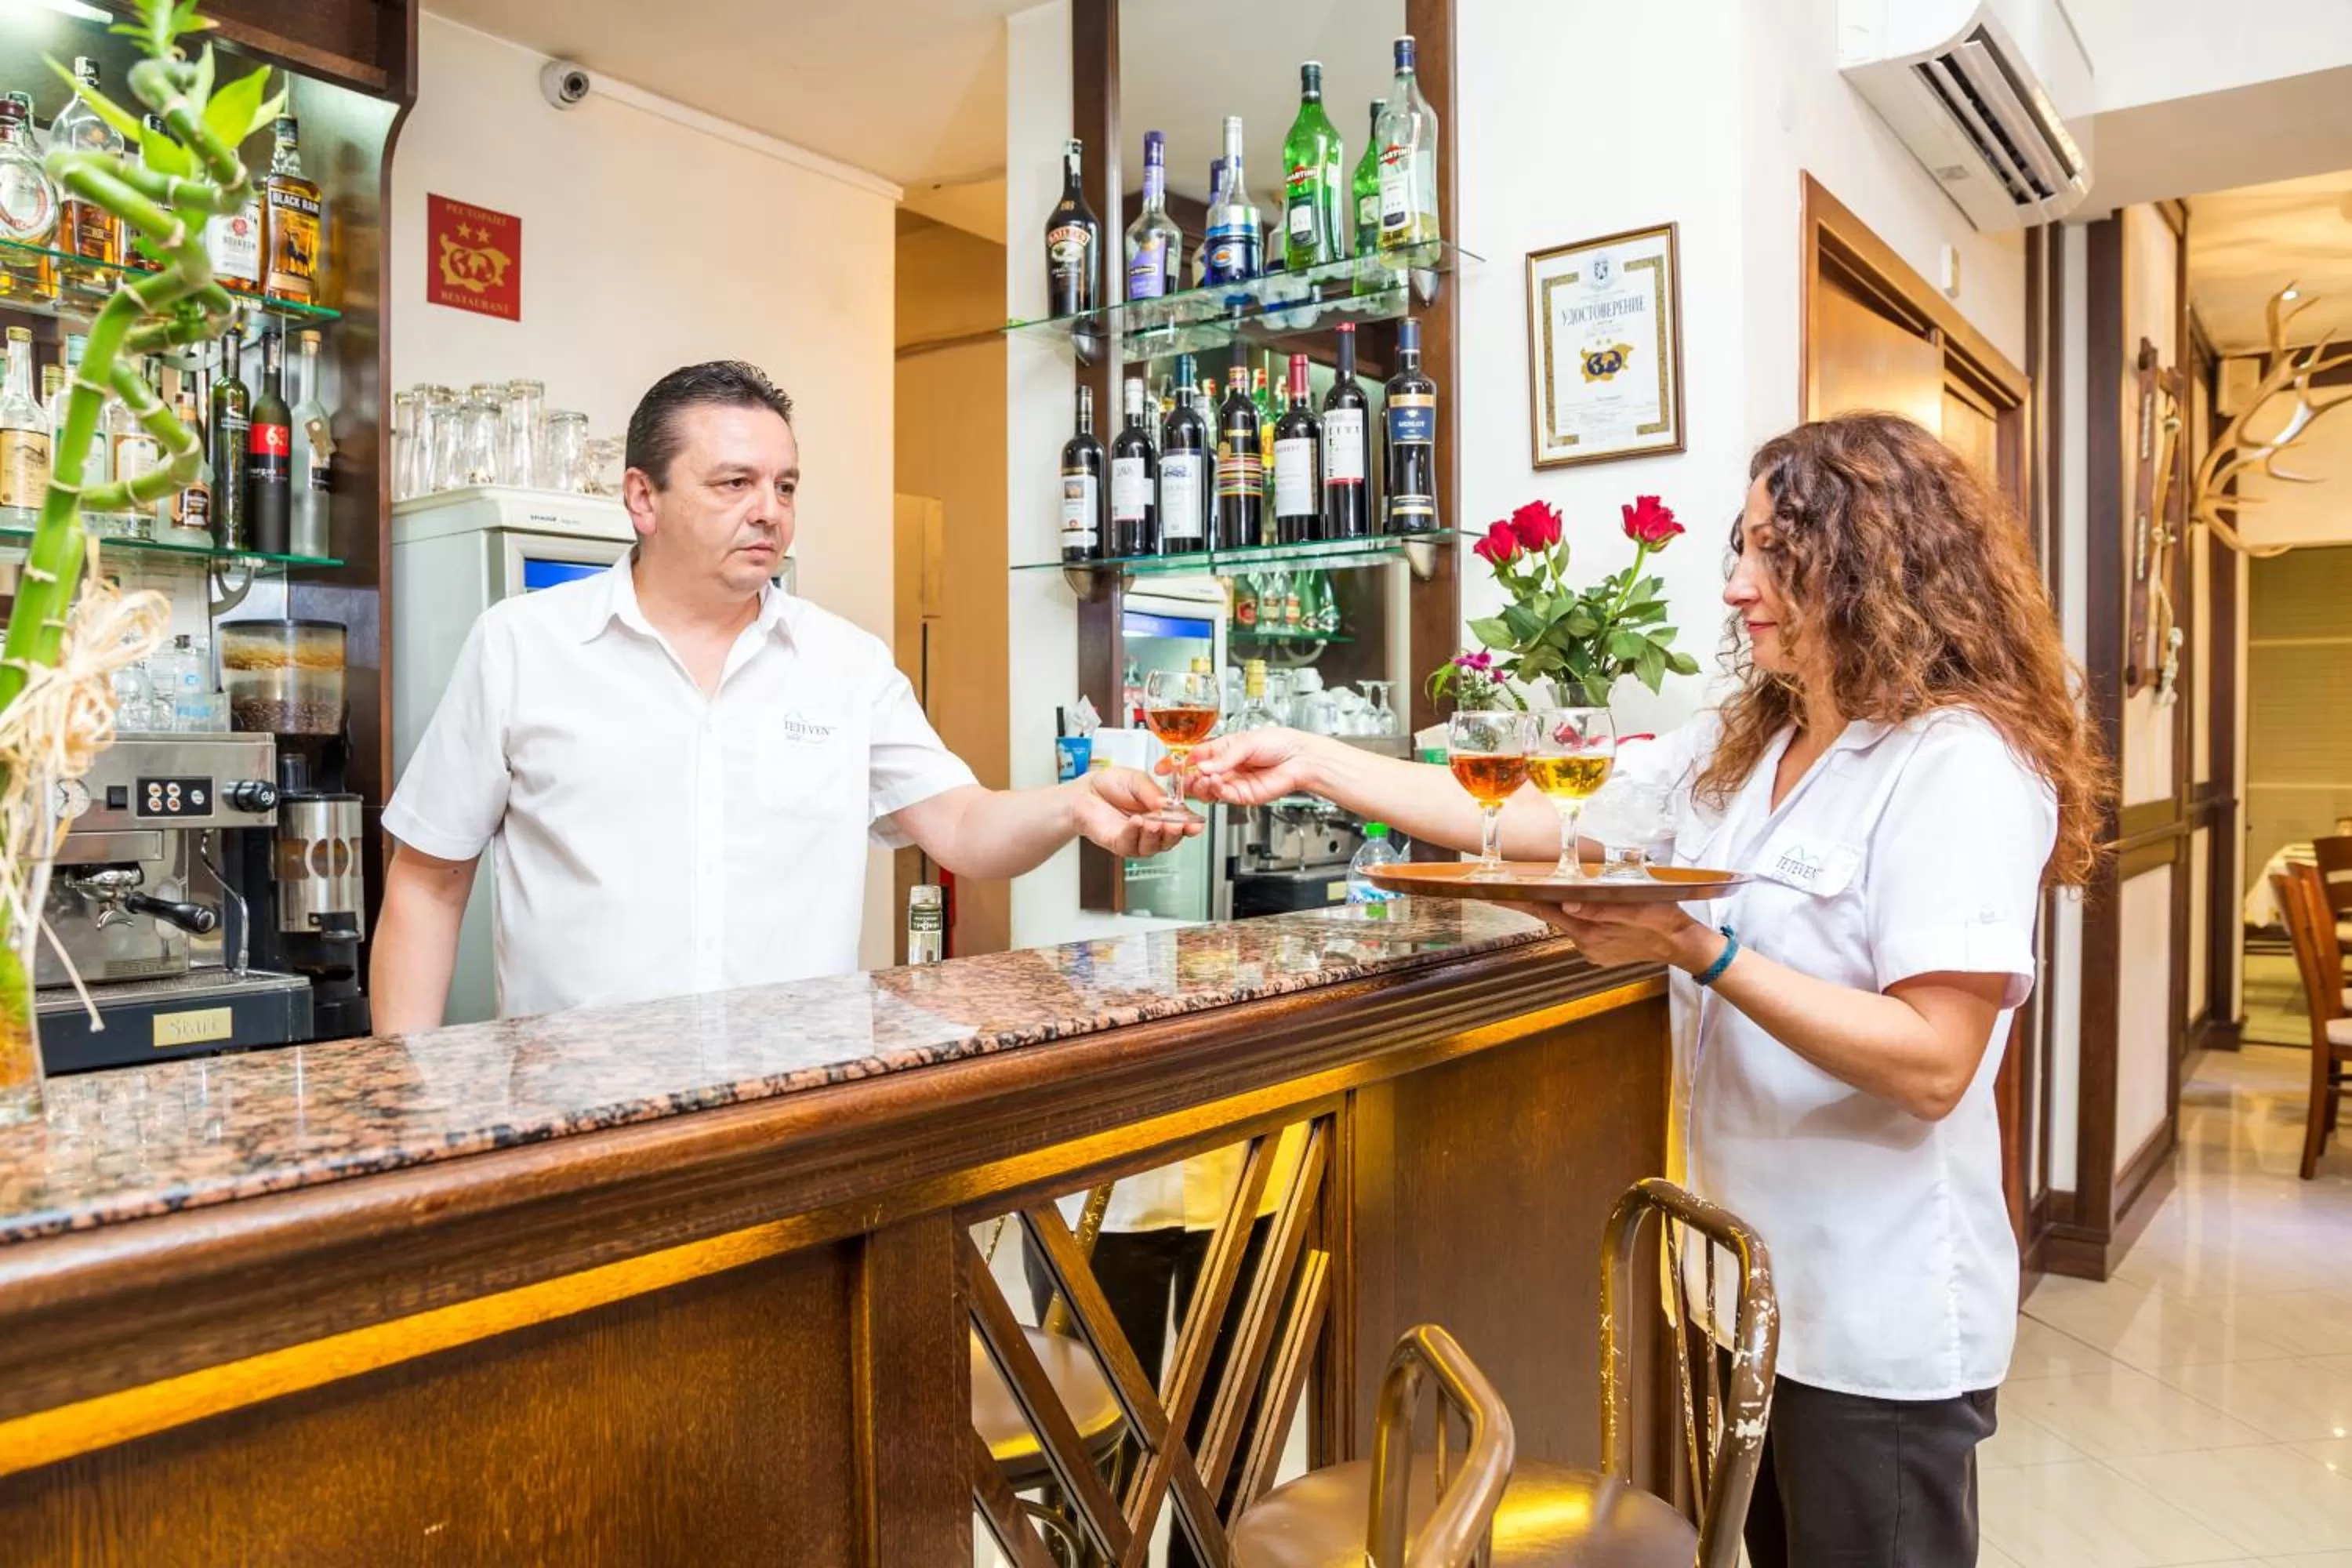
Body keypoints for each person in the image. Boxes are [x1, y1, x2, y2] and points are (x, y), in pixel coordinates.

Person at [1181, 412, 2107, 1567]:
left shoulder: (1957, 762)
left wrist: (1698, 951)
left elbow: (1932, 1062)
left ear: (1877, 562)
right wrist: (1315, 761)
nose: (1736, 586)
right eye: (1742, 547)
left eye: (1775, 553)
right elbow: (1530, 816)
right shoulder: (1751, 746)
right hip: (1750, 1302)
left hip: (1877, 1315)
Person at [373, 361, 1195, 1029]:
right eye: (735, 482)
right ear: (641, 498)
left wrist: (1075, 804)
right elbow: (426, 881)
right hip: (578, 1123)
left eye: (787, 486)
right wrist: (408, 1107)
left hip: (797, 1110)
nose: (770, 511)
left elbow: (964, 826)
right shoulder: (523, 645)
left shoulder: (845, 662)